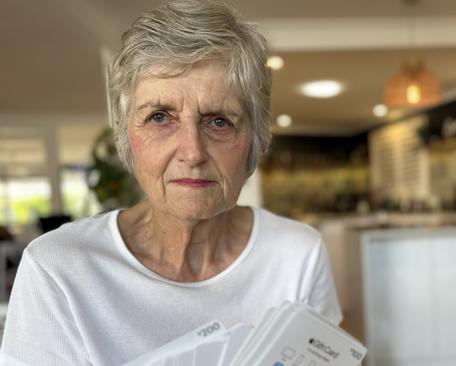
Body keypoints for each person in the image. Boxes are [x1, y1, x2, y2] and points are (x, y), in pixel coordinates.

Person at [0, 1, 341, 364]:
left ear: (255, 141)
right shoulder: (58, 267)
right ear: (127, 136)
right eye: (160, 117)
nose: (192, 152)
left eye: (219, 121)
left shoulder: (297, 254)